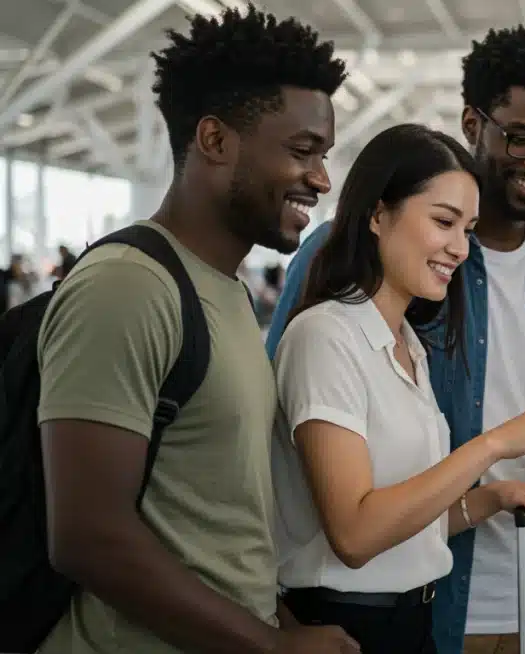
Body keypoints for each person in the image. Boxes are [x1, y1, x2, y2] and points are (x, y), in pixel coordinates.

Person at [265, 26, 525, 654]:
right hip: (395, 608)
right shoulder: (335, 291)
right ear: (474, 121)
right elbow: (284, 456)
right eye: (521, 137)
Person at [35, 6, 359, 654]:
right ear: (214, 141)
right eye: (302, 151)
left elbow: (210, 522)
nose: (322, 179)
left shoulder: (224, 291)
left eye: (324, 155)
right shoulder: (128, 288)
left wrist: (279, 625)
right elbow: (87, 536)